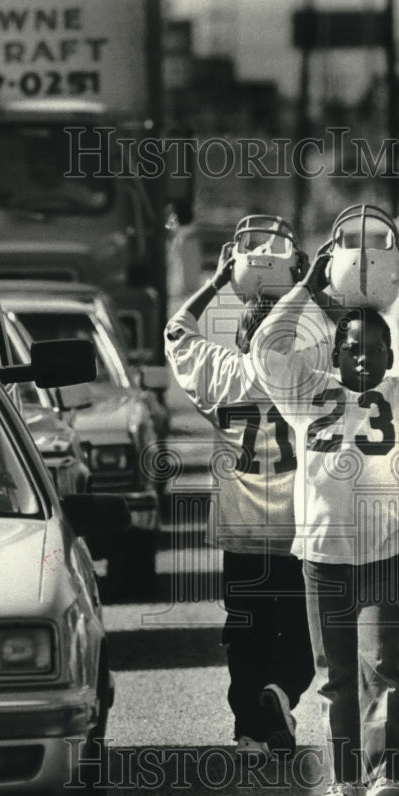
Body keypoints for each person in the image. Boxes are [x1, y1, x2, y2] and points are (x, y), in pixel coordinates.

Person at [248, 248, 399, 796]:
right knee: (336, 672)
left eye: (374, 350)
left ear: (390, 353)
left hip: (386, 551)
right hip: (324, 553)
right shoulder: (305, 391)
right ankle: (345, 779)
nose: (363, 360)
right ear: (335, 353)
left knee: (381, 665)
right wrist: (308, 289)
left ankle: (385, 774)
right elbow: (264, 349)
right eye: (352, 349)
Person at [164, 237, 316, 760]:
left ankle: (250, 729)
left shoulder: (222, 372)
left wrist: (217, 282)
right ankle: (281, 693)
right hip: (299, 527)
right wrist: (311, 284)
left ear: (241, 338)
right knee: (298, 633)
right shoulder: (308, 377)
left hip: (241, 525)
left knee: (244, 630)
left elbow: (175, 331)